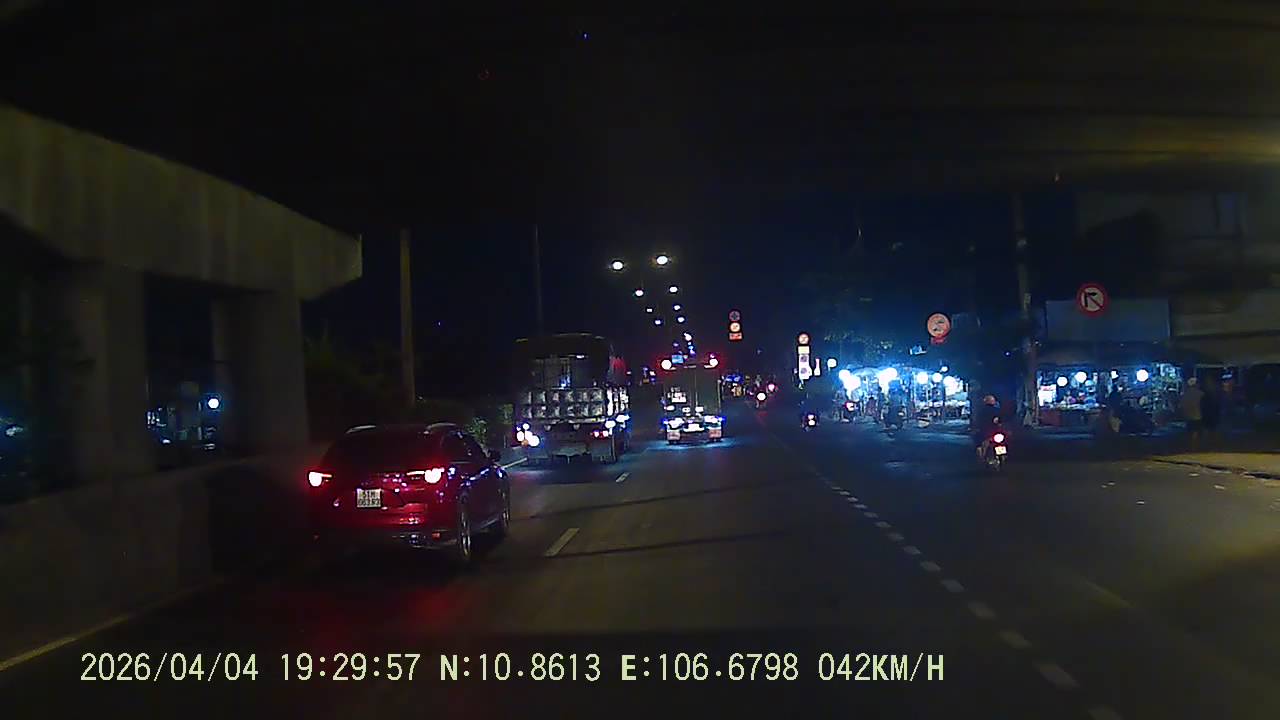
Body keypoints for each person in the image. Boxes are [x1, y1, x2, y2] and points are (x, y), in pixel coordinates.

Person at [971, 394, 1002, 458]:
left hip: (986, 432)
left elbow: (977, 421)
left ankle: (982, 455)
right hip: (995, 431)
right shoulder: (997, 410)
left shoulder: (981, 411)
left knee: (978, 442)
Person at [1180, 378, 1205, 450]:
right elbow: (1203, 405)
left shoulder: (1184, 394)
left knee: (1190, 432)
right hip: (1198, 416)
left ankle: (1190, 446)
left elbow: (1181, 406)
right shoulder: (1201, 394)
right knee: (1197, 432)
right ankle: (1195, 446)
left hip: (1188, 416)